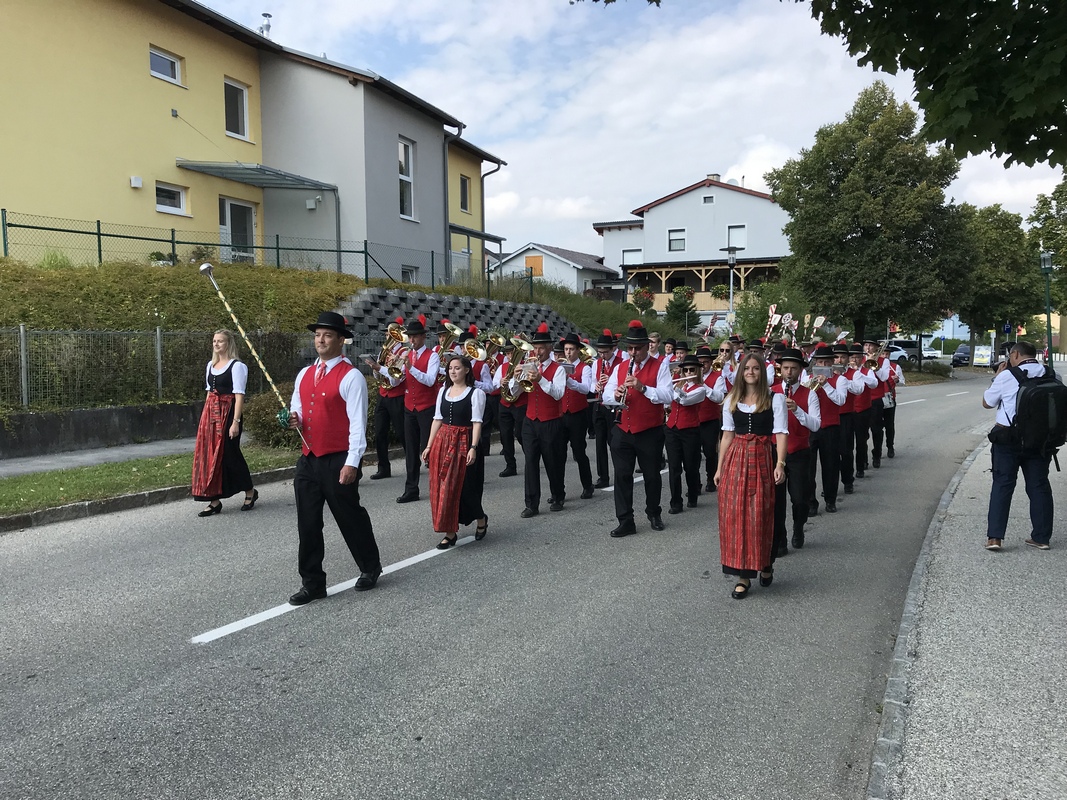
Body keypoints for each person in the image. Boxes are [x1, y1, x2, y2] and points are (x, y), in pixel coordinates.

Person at [286, 312, 382, 605]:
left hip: (338, 458)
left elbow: (357, 423)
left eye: (327, 335)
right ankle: (312, 582)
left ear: (341, 340)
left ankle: (370, 567)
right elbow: (299, 408)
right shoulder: (304, 374)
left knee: (349, 517)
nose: (320, 340)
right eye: (317, 335)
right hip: (309, 458)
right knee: (308, 523)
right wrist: (294, 419)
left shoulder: (351, 377)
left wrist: (353, 462)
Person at [714, 353, 788, 599]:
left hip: (762, 457)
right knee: (736, 515)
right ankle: (743, 576)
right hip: (736, 458)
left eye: (756, 368)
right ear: (741, 372)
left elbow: (780, 433)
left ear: (762, 372)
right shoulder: (731, 399)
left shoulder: (775, 399)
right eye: (747, 368)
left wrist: (780, 463)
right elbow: (726, 436)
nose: (751, 372)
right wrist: (719, 468)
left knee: (762, 513)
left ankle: (766, 563)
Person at [602, 320, 673, 537]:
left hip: (649, 431)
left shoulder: (660, 366)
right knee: (622, 476)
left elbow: (668, 396)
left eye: (638, 349)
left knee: (652, 475)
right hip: (623, 429)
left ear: (646, 347)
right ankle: (626, 520)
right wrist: (614, 395)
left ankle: (653, 512)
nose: (633, 353)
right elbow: (605, 395)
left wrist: (643, 388)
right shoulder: (621, 367)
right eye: (630, 349)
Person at [982, 341, 1054, 551]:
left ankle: (995, 538)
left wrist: (997, 376)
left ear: (1015, 355)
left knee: (1003, 485)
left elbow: (987, 402)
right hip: (1041, 441)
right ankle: (1041, 537)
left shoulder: (1006, 376)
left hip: (1008, 439)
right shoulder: (1050, 374)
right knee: (1039, 485)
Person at [421, 354, 489, 548]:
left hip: (465, 442)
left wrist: (473, 448)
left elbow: (477, 423)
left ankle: (481, 518)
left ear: (467, 370)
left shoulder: (476, 393)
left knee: (467, 488)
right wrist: (429, 445)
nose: (453, 371)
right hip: (444, 441)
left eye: (457, 368)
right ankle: (450, 533)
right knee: (444, 487)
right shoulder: (443, 391)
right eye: (450, 368)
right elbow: (437, 419)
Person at [191, 329, 256, 516]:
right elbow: (209, 394)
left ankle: (250, 491)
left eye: (220, 341)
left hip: (229, 413)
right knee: (209, 454)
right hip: (211, 414)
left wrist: (235, 422)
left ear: (228, 343)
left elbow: (239, 395)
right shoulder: (211, 365)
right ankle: (214, 501)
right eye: (214, 341)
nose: (216, 344)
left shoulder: (237, 366)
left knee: (230, 453)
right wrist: (205, 417)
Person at [512, 322, 566, 517]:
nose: (537, 351)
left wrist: (541, 378)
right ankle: (531, 504)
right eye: (535, 347)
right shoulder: (528, 365)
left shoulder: (558, 369)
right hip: (530, 421)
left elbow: (558, 394)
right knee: (530, 462)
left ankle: (558, 495)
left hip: (551, 421)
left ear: (549, 348)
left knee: (553, 461)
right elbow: (514, 392)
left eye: (541, 348)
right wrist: (516, 378)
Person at [772, 348, 821, 551]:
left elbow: (816, 425)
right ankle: (780, 540)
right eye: (785, 368)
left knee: (800, 499)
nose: (789, 372)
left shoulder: (810, 394)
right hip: (775, 451)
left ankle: (798, 528)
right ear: (780, 370)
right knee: (776, 500)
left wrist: (797, 410)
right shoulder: (771, 391)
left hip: (799, 452)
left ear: (800, 370)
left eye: (793, 368)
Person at [398, 315, 440, 504]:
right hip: (409, 407)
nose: (411, 340)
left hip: (426, 408)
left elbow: (430, 380)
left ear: (423, 337)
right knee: (411, 451)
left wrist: (410, 367)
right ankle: (411, 489)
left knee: (428, 449)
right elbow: (396, 380)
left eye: (415, 336)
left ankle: (437, 487)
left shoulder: (433, 356)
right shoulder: (406, 354)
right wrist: (378, 368)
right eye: (410, 337)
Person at [364, 316, 406, 481]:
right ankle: (383, 468)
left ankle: (412, 463)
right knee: (380, 432)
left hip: (397, 396)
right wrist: (375, 369)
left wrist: (380, 368)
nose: (387, 337)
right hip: (383, 394)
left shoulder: (404, 352)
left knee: (402, 432)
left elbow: (397, 379)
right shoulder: (384, 350)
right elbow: (378, 376)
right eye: (388, 334)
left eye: (391, 334)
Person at [806, 345, 847, 515]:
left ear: (832, 364)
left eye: (826, 362)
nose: (822, 365)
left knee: (830, 466)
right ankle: (811, 503)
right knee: (808, 469)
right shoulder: (807, 379)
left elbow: (841, 401)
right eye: (819, 362)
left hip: (830, 428)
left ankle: (830, 500)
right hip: (810, 429)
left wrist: (827, 386)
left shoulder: (840, 380)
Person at [665, 353, 707, 513]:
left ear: (697, 370)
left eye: (691, 370)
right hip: (672, 430)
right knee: (674, 467)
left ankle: (693, 495)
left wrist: (670, 389)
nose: (688, 373)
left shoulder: (701, 390)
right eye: (686, 370)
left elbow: (684, 400)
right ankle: (675, 502)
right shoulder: (678, 385)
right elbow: (667, 401)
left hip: (690, 431)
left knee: (690, 467)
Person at [560, 332, 596, 499]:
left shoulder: (585, 368)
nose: (568, 352)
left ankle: (588, 485)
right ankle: (558, 490)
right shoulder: (558, 366)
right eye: (566, 349)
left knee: (579, 451)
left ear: (578, 350)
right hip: (561, 414)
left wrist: (570, 381)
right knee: (558, 454)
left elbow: (586, 388)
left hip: (577, 414)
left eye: (571, 349)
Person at [591, 329, 622, 488]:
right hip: (599, 405)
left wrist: (609, 380)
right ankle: (603, 476)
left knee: (614, 443)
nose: (602, 355)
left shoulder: (621, 362)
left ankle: (619, 474)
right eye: (600, 352)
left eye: (605, 352)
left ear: (612, 350)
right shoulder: (596, 363)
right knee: (600, 443)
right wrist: (596, 385)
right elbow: (591, 383)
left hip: (614, 407)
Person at [493, 339, 527, 477]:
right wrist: (500, 381)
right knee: (505, 435)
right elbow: (494, 383)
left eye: (511, 353)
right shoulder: (502, 367)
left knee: (520, 434)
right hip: (505, 404)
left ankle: (531, 458)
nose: (509, 356)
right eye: (507, 353)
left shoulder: (525, 366)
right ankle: (510, 466)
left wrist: (514, 379)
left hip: (521, 404)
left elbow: (520, 389)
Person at [881, 358, 905, 458]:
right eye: (883, 354)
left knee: (889, 425)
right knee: (875, 427)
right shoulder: (872, 365)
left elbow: (902, 382)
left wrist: (897, 380)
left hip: (889, 398)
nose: (885, 356)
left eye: (887, 354)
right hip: (875, 400)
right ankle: (877, 449)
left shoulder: (895, 367)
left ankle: (890, 446)